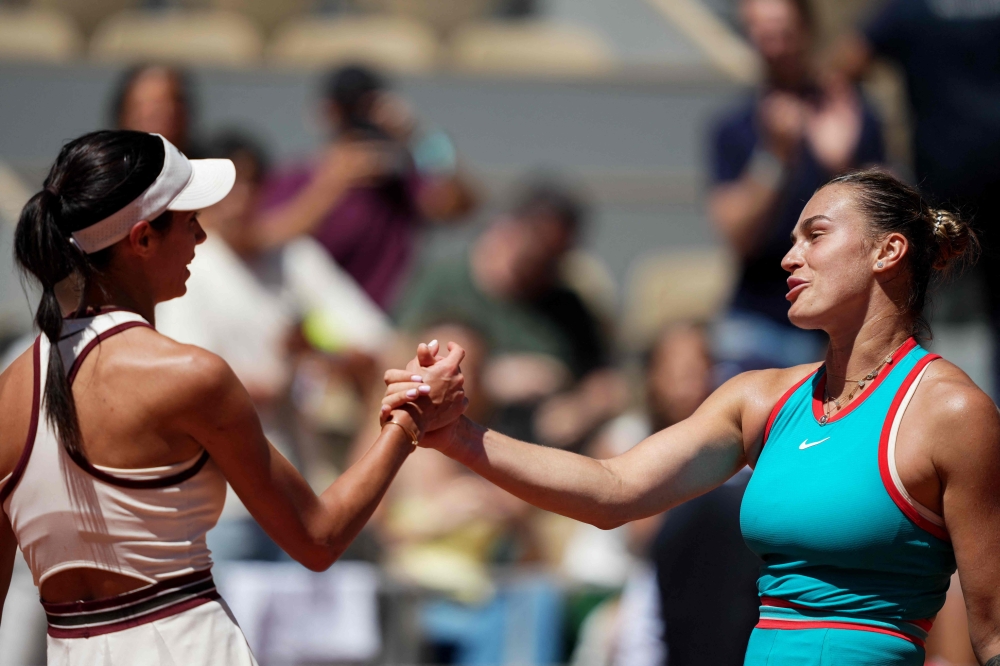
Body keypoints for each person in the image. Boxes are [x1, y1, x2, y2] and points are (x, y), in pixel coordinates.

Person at [386, 168, 1000, 666]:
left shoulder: (952, 411)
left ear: (887, 252)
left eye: (814, 236)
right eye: (791, 240)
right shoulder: (759, 400)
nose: (789, 258)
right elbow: (612, 490)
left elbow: (993, 633)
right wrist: (457, 435)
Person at [0, 130, 466, 665]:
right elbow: (318, 538)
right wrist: (410, 419)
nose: (202, 234)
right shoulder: (190, 376)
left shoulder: (8, 390)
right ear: (143, 239)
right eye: (189, 217)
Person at [708, 0, 884, 376]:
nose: (773, 44)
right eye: (760, 32)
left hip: (845, 315)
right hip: (762, 316)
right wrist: (775, 157)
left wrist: (843, 165)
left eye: (782, 31)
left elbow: (892, 219)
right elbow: (738, 235)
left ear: (806, 31)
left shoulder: (851, 112)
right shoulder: (733, 127)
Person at [833, 0, 1000, 395]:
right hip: (938, 198)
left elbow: (844, 67)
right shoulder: (910, 10)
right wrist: (867, 149)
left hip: (944, 186)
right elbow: (845, 69)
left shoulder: (910, 9)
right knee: (917, 317)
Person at [395, 180, 625, 447]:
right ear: (508, 230)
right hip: (457, 433)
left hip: (545, 444)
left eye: (555, 254)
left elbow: (609, 382)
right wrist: (489, 380)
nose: (543, 261)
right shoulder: (444, 282)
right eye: (538, 245)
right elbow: (396, 354)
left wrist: (579, 408)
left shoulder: (568, 306)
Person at [256, 64, 476, 310]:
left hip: (383, 328)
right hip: (310, 324)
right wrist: (332, 183)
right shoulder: (296, 179)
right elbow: (263, 240)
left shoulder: (400, 185)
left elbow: (461, 205)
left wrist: (418, 136)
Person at [111, 64, 199, 157]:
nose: (161, 113)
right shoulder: (104, 167)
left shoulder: (208, 166)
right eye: (149, 104)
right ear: (124, 115)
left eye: (169, 101)